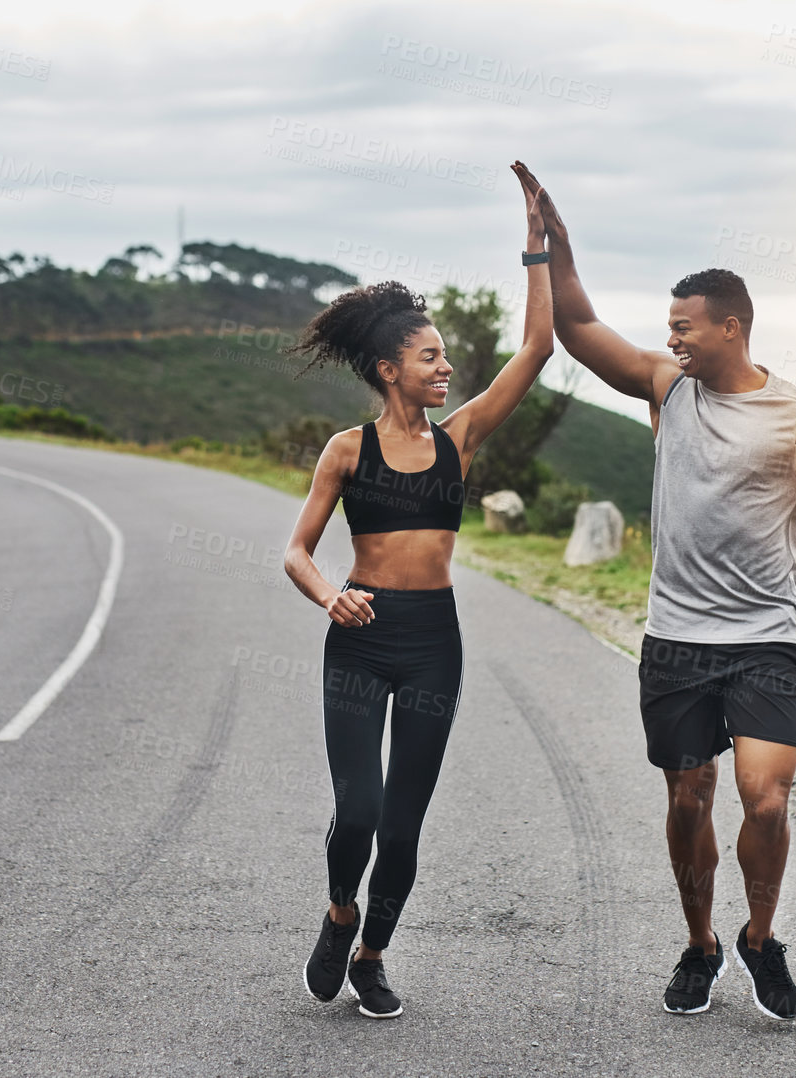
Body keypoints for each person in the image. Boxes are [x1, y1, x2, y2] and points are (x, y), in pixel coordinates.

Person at [513, 164, 796, 1021]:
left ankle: (759, 939)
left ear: (731, 328)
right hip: (675, 641)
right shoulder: (666, 388)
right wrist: (555, 246)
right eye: (669, 329)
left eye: (686, 329)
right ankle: (700, 944)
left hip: (766, 639)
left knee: (766, 797)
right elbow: (579, 325)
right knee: (687, 795)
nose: (674, 341)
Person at [281, 162, 555, 1019]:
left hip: (433, 639)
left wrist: (535, 248)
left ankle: (371, 954)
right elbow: (296, 551)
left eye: (443, 357)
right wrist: (331, 595)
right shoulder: (346, 451)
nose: (444, 368)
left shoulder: (460, 439)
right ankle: (337, 912)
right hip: (359, 632)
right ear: (387, 367)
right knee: (358, 807)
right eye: (428, 356)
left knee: (402, 824)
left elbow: (536, 349)